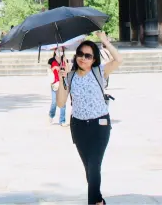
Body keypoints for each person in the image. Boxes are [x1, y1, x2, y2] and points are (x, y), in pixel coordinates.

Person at [56, 31, 123, 205]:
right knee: (88, 167)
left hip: (99, 125)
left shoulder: (99, 71)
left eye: (87, 56)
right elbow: (61, 104)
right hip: (78, 127)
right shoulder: (69, 76)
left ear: (94, 59)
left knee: (94, 166)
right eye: (80, 54)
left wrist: (105, 41)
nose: (83, 58)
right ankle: (99, 200)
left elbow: (118, 60)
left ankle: (94, 202)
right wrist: (62, 80)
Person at [47, 47, 68, 126]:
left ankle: (62, 120)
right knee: (54, 102)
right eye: (58, 50)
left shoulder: (64, 60)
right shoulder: (51, 60)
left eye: (61, 50)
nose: (60, 52)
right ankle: (51, 115)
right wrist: (54, 68)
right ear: (55, 51)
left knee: (63, 102)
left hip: (63, 83)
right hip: (54, 82)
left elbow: (68, 70)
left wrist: (65, 64)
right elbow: (48, 70)